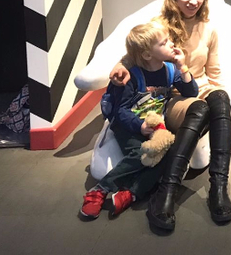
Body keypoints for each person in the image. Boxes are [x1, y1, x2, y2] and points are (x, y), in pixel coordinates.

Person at [109, 0, 231, 230]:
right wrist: (119, 65)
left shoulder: (208, 28)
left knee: (220, 98)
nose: (194, 1)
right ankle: (167, 190)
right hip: (172, 94)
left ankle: (219, 188)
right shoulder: (160, 25)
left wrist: (228, 117)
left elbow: (214, 74)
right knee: (200, 109)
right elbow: (136, 51)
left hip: (200, 88)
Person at [80, 21, 197, 220]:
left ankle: (131, 193)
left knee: (167, 157)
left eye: (168, 40)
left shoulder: (170, 70)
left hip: (155, 126)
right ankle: (100, 190)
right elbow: (121, 110)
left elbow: (191, 92)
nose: (171, 44)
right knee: (141, 153)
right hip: (128, 126)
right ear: (147, 55)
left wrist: (183, 67)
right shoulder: (131, 76)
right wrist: (139, 126)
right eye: (164, 43)